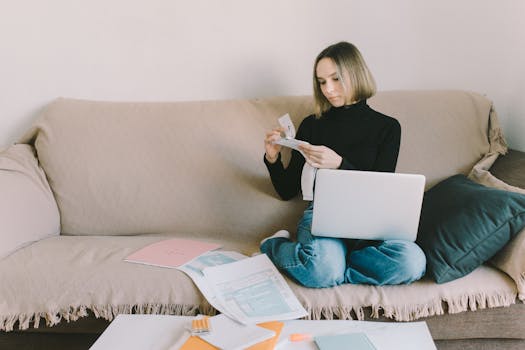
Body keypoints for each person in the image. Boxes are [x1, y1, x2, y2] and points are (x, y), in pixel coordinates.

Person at [261, 41, 426, 288]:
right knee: (322, 270)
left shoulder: (388, 128)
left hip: (371, 219)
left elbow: (379, 187)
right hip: (323, 216)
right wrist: (272, 158)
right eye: (321, 82)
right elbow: (287, 191)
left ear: (355, 74)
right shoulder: (312, 125)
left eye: (335, 79)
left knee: (412, 263)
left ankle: (336, 268)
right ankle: (273, 246)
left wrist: (339, 164)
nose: (328, 89)